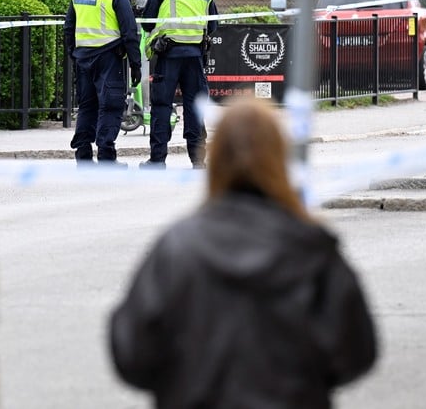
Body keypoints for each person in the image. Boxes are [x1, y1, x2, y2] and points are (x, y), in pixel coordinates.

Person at [110, 98, 378, 409]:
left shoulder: (178, 247)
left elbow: (132, 351)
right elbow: (356, 351)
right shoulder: (310, 247)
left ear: (215, 158)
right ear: (280, 158)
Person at [139, 0, 218, 169]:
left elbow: (147, 23)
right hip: (195, 56)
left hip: (168, 55)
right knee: (195, 107)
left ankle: (157, 160)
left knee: (162, 105)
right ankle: (198, 161)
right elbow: (213, 25)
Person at [64, 0, 142, 166]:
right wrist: (136, 65)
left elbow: (68, 27)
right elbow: (129, 32)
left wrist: (74, 53)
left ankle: (83, 154)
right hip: (109, 58)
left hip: (83, 59)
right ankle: (107, 157)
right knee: (110, 106)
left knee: (87, 106)